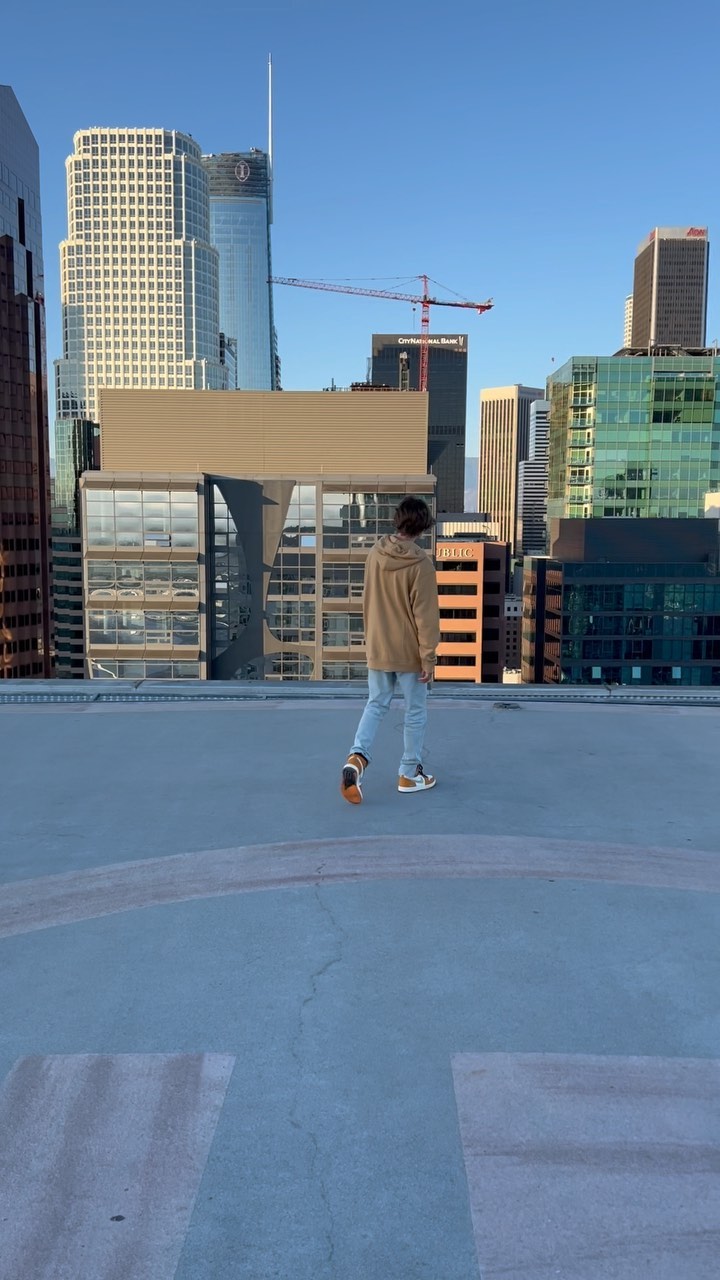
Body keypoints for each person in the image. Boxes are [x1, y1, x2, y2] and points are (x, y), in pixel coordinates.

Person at [341, 496, 440, 804]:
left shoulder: (375, 553)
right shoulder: (421, 565)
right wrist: (429, 657)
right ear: (423, 526)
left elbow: (368, 599)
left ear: (397, 520)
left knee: (376, 704)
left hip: (379, 645)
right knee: (415, 711)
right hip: (410, 652)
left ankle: (357, 757)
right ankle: (409, 774)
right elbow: (426, 616)